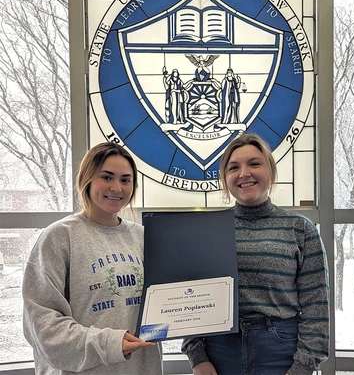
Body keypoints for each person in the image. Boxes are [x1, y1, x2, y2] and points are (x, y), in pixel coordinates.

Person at [182, 133, 329, 375]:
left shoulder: (300, 229)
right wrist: (197, 357)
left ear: (270, 171)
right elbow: (191, 300)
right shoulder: (207, 230)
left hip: (281, 353)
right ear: (225, 178)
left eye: (254, 163)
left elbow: (317, 307)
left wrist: (304, 366)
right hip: (219, 352)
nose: (244, 173)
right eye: (233, 167)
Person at [22, 142, 163, 375]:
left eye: (125, 180)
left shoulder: (143, 237)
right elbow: (43, 326)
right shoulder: (58, 237)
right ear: (87, 179)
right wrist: (110, 344)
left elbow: (164, 304)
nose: (117, 188)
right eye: (107, 177)